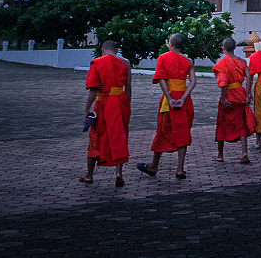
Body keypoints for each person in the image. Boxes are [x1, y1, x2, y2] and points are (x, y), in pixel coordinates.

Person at [138, 32, 197, 180]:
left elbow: (162, 79)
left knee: (162, 131)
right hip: (184, 99)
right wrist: (183, 98)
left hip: (169, 99)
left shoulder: (163, 58)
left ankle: (154, 165)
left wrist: (170, 98)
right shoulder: (188, 60)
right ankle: (180, 169)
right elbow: (193, 82)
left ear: (170, 44)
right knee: (183, 131)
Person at [79, 39, 130, 186]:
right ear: (116, 51)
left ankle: (90, 175)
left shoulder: (98, 63)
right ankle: (119, 173)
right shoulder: (125, 63)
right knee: (120, 136)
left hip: (102, 103)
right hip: (120, 102)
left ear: (102, 50)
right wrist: (127, 107)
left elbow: (93, 90)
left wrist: (86, 109)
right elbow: (128, 88)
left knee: (95, 138)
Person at [212, 36, 252, 164]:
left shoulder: (222, 63)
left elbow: (223, 82)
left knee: (222, 124)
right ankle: (244, 152)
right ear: (235, 48)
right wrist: (248, 93)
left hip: (228, 95)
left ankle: (220, 155)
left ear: (223, 48)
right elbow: (249, 77)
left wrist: (223, 98)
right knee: (241, 124)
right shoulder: (242, 62)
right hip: (239, 94)